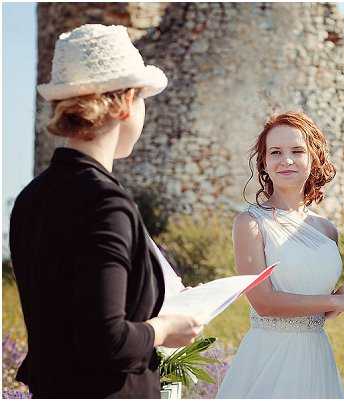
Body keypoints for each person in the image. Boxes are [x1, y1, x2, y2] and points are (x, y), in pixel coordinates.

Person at [9, 24, 203, 398]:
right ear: (125, 102)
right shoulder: (105, 203)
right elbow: (105, 339)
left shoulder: (31, 198)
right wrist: (164, 329)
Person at [216, 112, 344, 398]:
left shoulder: (327, 230)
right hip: (268, 356)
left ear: (313, 158)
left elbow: (319, 305)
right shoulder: (250, 223)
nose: (286, 160)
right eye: (275, 152)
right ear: (264, 162)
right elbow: (265, 303)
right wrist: (337, 300)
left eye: (297, 151)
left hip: (316, 355)